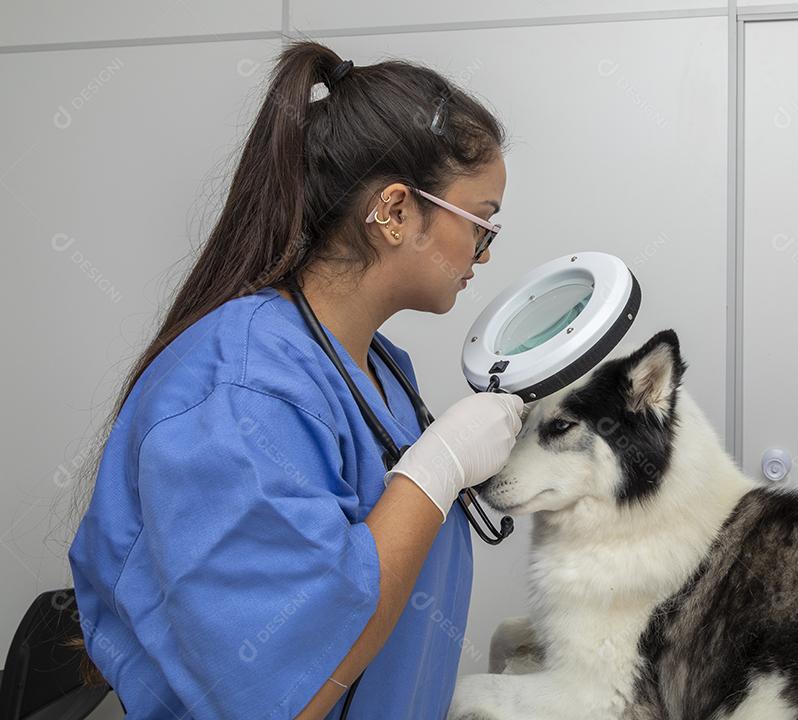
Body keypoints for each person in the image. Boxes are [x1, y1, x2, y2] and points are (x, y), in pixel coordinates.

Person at [67, 40, 524, 720]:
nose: (484, 255)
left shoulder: (380, 369)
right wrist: (437, 469)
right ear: (396, 211)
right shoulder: (242, 388)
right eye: (481, 226)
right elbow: (285, 692)